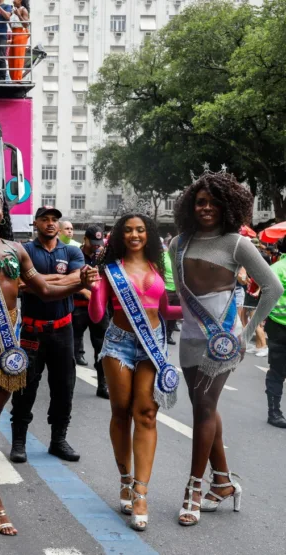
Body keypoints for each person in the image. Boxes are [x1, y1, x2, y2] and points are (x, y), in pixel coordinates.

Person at [0, 175, 96, 536]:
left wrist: (80, 282)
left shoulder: (17, 250)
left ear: (2, 211)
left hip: (10, 337)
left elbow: (41, 289)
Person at [170, 170, 281, 526]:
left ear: (227, 206)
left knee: (203, 408)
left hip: (223, 343)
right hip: (189, 338)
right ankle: (223, 483)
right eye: (201, 202)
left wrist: (246, 335)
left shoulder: (237, 243)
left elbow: (272, 288)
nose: (207, 208)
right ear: (191, 204)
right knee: (206, 407)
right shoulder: (178, 244)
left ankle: (193, 491)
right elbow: (180, 298)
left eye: (214, 202)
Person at [88, 213, 182, 531]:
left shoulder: (158, 266)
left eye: (140, 230)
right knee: (121, 412)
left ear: (149, 234)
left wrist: (200, 310)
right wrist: (92, 287)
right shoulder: (110, 272)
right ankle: (125, 478)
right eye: (127, 230)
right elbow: (97, 312)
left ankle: (140, 492)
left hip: (152, 343)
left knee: (146, 415)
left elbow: (166, 310)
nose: (134, 235)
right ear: (119, 236)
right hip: (118, 344)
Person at [9, 207, 85, 464]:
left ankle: (58, 440)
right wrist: (60, 281)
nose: (51, 223)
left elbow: (79, 279)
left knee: (64, 387)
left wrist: (39, 282)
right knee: (25, 387)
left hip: (63, 330)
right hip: (31, 331)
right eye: (45, 219)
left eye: (54, 220)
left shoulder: (71, 251)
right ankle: (18, 441)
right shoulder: (24, 251)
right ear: (36, 223)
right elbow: (18, 284)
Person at [73, 225, 109, 398]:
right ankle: (67, 384)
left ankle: (103, 384)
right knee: (71, 347)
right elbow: (69, 279)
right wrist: (85, 291)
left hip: (99, 309)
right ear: (84, 239)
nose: (96, 246)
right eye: (92, 242)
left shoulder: (103, 257)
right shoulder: (74, 255)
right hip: (77, 308)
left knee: (101, 346)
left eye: (98, 242)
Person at [264, 237, 286, 428]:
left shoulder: (276, 269)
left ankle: (274, 411)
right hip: (279, 327)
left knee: (277, 371)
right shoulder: (279, 269)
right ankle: (274, 411)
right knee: (278, 371)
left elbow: (267, 296)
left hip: (276, 327)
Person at [162, 241, 180, 346]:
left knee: (174, 315)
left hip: (178, 291)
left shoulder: (180, 258)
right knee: (163, 314)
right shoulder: (163, 256)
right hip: (165, 290)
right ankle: (162, 335)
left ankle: (169, 335)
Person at [8, 0, 29, 81]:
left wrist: (19, 15)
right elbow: (11, 23)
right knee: (11, 57)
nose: (13, 1)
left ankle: (17, 78)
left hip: (20, 33)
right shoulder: (13, 10)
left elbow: (26, 24)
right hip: (14, 33)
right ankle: (13, 78)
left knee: (18, 58)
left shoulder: (24, 10)